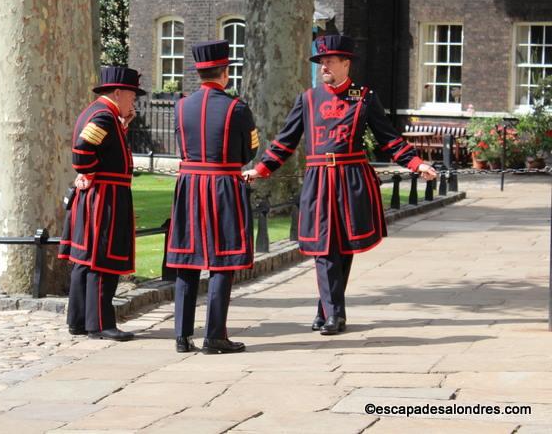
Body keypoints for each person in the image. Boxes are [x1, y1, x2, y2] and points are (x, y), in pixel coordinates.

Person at [244, 34, 437, 335]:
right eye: (321, 61)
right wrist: (260, 169)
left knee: (343, 247)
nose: (324, 66)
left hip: (352, 179)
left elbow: (389, 138)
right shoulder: (307, 99)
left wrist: (416, 163)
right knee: (324, 247)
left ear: (346, 63)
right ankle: (335, 314)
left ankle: (326, 310)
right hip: (319, 180)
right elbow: (285, 141)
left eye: (330, 61)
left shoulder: (364, 96)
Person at [165, 40, 259, 354]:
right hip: (222, 186)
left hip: (190, 185)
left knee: (186, 261)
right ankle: (215, 335)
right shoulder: (237, 107)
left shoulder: (180, 106)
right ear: (225, 72)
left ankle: (181, 335)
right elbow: (249, 152)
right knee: (222, 261)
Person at [58, 66, 144, 342]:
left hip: (99, 194)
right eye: (132, 95)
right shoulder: (105, 116)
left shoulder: (102, 114)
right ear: (118, 93)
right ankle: (100, 324)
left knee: (85, 260)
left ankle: (79, 321)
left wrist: (124, 124)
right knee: (101, 260)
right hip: (105, 196)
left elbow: (103, 149)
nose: (134, 101)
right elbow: (82, 152)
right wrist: (89, 171)